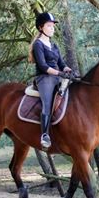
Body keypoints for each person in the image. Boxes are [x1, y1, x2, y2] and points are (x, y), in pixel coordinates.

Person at [28, 12, 72, 150]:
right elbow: (43, 66)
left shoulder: (54, 45)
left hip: (57, 76)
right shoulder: (38, 44)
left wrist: (68, 70)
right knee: (47, 103)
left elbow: (61, 62)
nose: (52, 28)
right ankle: (45, 135)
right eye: (49, 26)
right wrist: (59, 72)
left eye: (53, 26)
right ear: (41, 28)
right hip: (44, 78)